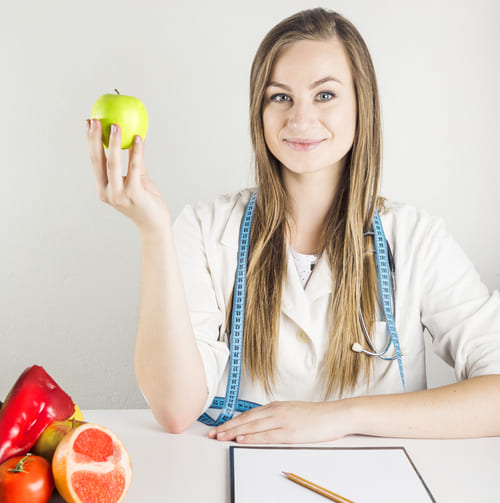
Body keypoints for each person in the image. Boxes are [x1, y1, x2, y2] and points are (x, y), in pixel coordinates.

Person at [86, 8, 500, 444]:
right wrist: (153, 231)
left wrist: (341, 417)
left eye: (325, 96)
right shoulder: (204, 231)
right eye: (280, 97)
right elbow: (175, 409)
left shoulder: (418, 240)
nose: (300, 120)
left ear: (363, 104)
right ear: (259, 111)